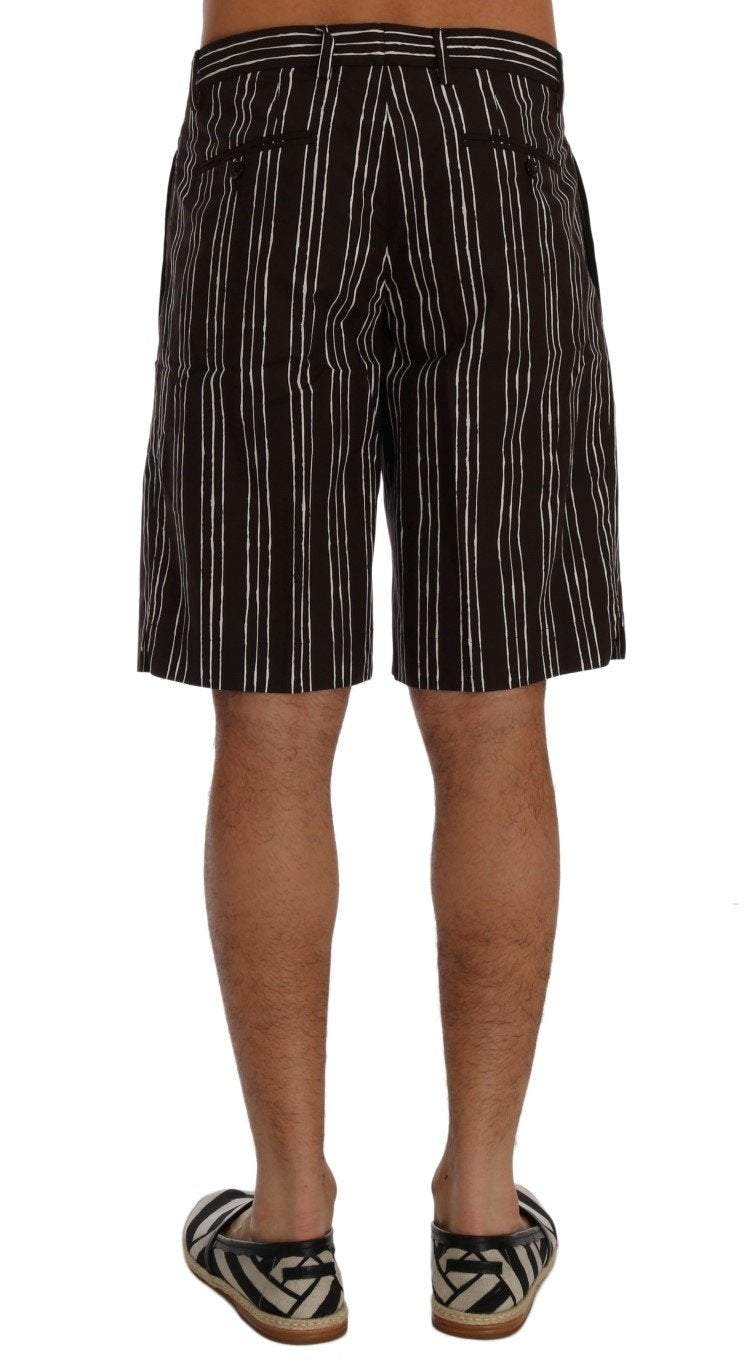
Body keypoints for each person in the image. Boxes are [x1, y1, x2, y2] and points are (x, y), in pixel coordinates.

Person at [139, 0, 624, 1343]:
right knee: (494, 705)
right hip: (493, 115)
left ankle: (289, 1226)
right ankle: (482, 1218)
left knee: (274, 707)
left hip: (273, 110)